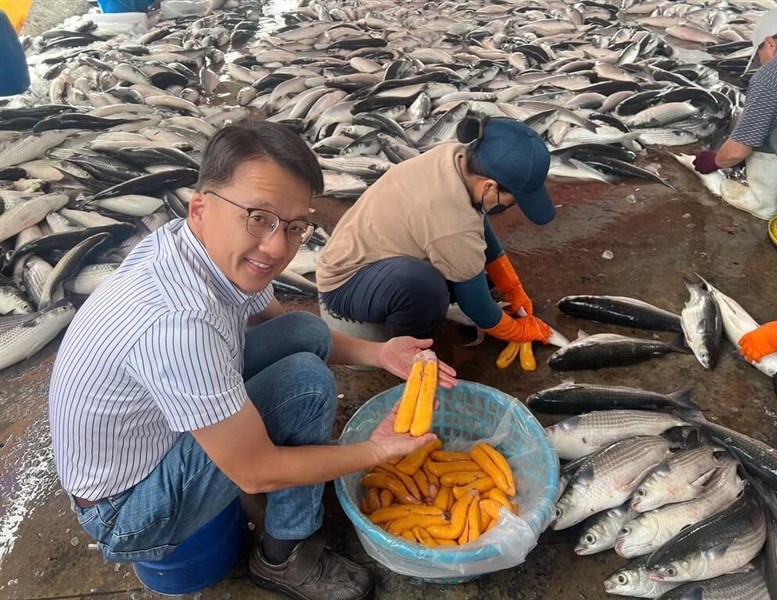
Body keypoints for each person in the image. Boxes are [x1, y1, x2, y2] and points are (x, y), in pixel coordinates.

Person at [48, 122, 457, 600]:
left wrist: (380, 352)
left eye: (295, 227)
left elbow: (284, 325)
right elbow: (255, 470)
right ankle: (283, 557)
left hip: (152, 436)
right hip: (123, 511)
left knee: (302, 332)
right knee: (306, 387)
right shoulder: (181, 323)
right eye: (258, 217)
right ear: (201, 207)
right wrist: (377, 451)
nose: (278, 248)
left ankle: (279, 480)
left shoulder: (193, 242)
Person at [316, 116, 555, 348]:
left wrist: (512, 287)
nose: (509, 207)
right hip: (345, 282)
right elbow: (478, 308)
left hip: (373, 250)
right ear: (490, 186)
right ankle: (413, 347)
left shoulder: (458, 158)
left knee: (475, 270)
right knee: (428, 290)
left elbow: (478, 226)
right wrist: (519, 331)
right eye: (511, 201)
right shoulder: (452, 219)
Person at [693, 3, 777, 219]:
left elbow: (737, 150)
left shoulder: (773, 74)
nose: (761, 64)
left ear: (770, 44)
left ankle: (761, 203)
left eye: (759, 55)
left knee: (765, 125)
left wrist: (714, 161)